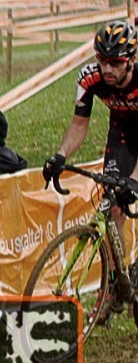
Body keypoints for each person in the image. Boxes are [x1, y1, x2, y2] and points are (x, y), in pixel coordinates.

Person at [44, 20, 138, 241]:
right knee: (114, 209)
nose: (107, 69)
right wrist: (61, 155)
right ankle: (120, 275)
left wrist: (134, 179)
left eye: (115, 63)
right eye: (102, 61)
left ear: (131, 60)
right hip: (122, 131)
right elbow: (78, 124)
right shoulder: (90, 78)